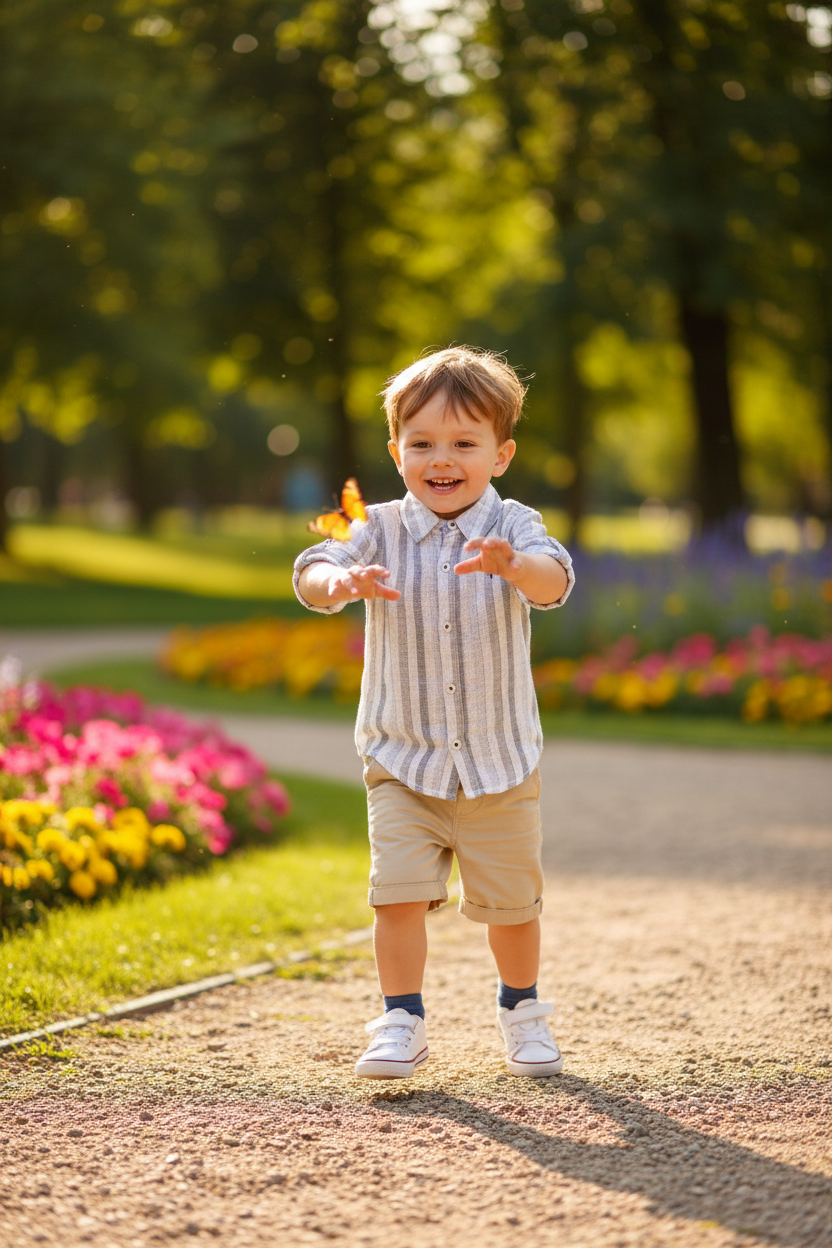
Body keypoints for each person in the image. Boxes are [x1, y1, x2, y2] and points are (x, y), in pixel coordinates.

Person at [294, 346, 574, 1079]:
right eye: (421, 444)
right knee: (398, 898)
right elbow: (310, 572)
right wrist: (340, 580)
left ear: (500, 453)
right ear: (396, 453)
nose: (440, 459)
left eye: (462, 443)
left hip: (498, 762)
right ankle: (401, 1019)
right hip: (403, 759)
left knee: (511, 907)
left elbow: (553, 581)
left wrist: (514, 567)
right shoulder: (378, 529)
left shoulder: (515, 524)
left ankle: (522, 1009)